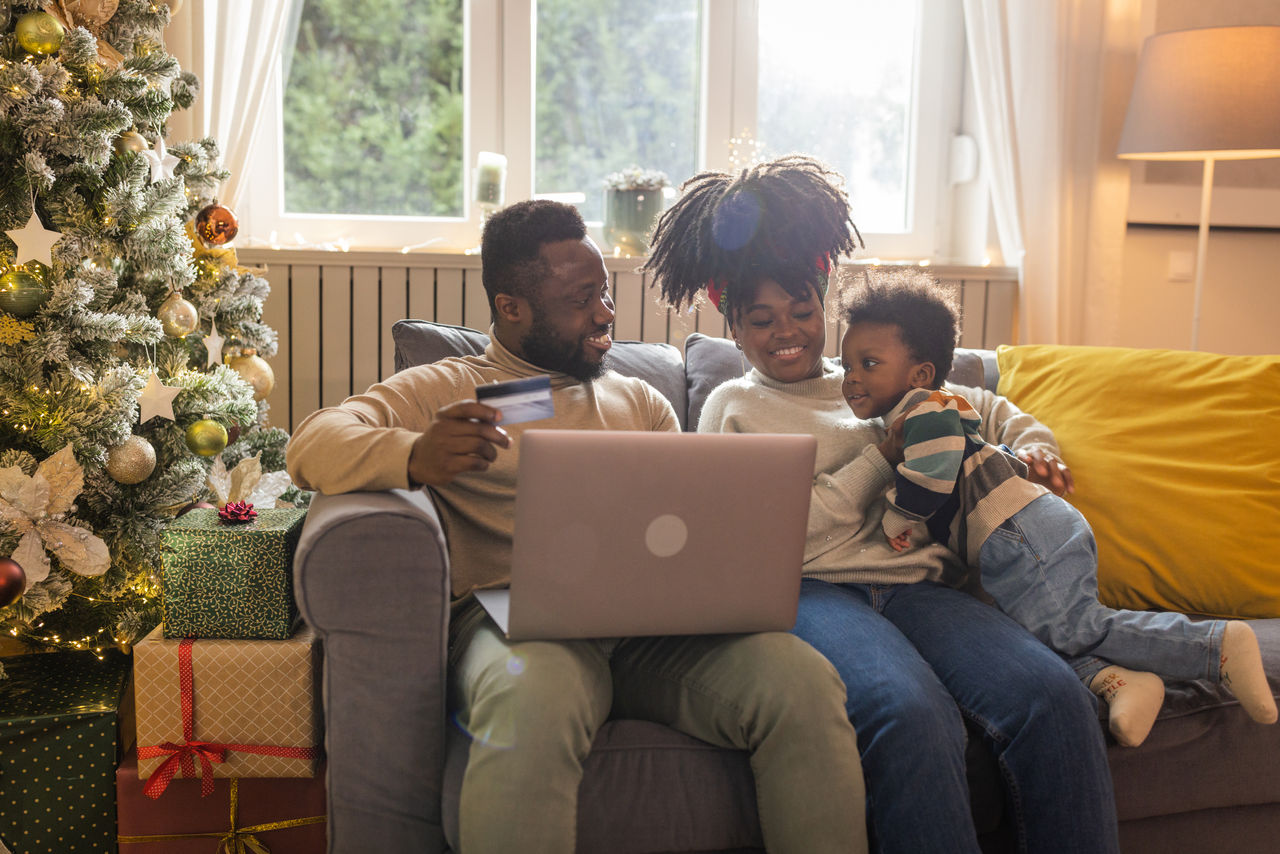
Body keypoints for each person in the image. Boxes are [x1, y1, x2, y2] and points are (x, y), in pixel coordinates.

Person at [286, 199, 868, 854]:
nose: (604, 314)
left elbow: (686, 524)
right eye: (580, 299)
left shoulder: (637, 399)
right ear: (513, 308)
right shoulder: (451, 389)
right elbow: (311, 443)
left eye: (605, 293)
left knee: (803, 680)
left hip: (651, 631)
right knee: (532, 699)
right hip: (521, 630)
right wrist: (414, 455)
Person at [643, 155, 1121, 854]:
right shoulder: (731, 406)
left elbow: (988, 407)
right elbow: (767, 540)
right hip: (813, 593)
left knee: (1052, 697)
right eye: (763, 320)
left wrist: (1038, 446)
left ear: (823, 302)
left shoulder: (876, 376)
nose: (788, 333)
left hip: (920, 585)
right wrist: (880, 459)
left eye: (802, 312)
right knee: (909, 710)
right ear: (734, 327)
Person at [837, 267, 1278, 746]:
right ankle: (1119, 681)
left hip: (1019, 532)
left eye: (868, 364)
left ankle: (1214, 648)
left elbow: (931, 476)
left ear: (920, 373)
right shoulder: (932, 408)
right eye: (846, 367)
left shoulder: (924, 413)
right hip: (1018, 534)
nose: (851, 379)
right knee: (1040, 628)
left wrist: (899, 518)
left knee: (1074, 622)